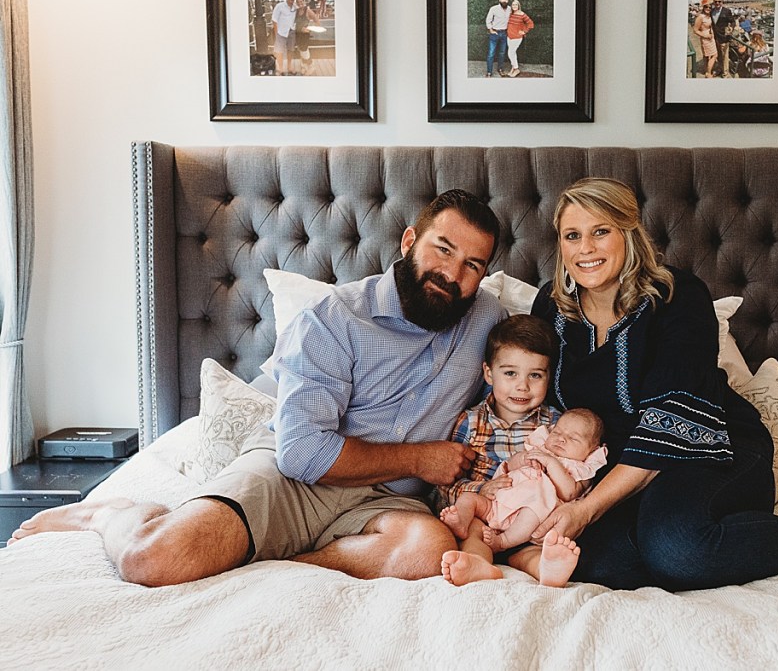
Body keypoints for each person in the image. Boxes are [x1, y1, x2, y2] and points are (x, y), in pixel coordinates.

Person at [8, 190, 507, 587]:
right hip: (292, 481)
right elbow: (303, 453)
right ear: (409, 241)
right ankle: (111, 515)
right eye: (443, 249)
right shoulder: (333, 319)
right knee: (150, 560)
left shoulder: (489, 321)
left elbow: (541, 363)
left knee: (428, 551)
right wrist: (420, 459)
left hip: (389, 503)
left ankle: (274, 566)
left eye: (473, 265)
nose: (452, 273)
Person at [528, 177, 778, 592]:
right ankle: (702, 536)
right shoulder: (550, 307)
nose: (585, 248)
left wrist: (587, 509)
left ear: (628, 233)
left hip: (710, 449)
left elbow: (669, 422)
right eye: (572, 235)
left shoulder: (677, 295)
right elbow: (527, 391)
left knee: (678, 551)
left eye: (601, 231)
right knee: (601, 562)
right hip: (614, 471)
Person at [442, 407, 607, 587]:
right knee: (470, 503)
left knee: (530, 554)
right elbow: (509, 466)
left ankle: (546, 570)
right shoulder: (538, 449)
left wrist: (550, 462)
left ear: (592, 451)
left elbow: (568, 493)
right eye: (557, 432)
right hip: (495, 509)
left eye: (573, 438)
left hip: (531, 529)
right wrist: (522, 459)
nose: (561, 439)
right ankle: (474, 554)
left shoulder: (580, 469)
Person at [293, 0, 322, 76]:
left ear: (304, 2)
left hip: (304, 35)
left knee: (304, 51)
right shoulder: (296, 11)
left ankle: (311, 66)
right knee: (300, 50)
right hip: (297, 33)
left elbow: (317, 20)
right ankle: (304, 66)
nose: (300, 3)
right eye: (298, 2)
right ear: (296, 3)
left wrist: (309, 29)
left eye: (301, 1)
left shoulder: (307, 10)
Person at [505, 0, 534, 78]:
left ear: (518, 6)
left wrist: (524, 31)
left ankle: (516, 69)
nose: (514, 6)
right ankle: (513, 68)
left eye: (516, 5)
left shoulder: (522, 14)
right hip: (509, 36)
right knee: (512, 53)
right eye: (513, 5)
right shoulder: (511, 13)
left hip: (517, 37)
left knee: (510, 53)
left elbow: (530, 23)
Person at [272, 0, 298, 76]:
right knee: (279, 51)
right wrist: (276, 34)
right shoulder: (279, 6)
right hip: (281, 32)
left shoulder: (295, 7)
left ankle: (289, 67)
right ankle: (281, 68)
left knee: (291, 50)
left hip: (291, 31)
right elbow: (274, 20)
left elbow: (303, 11)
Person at [485, 0, 512, 77]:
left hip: (504, 33)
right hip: (495, 33)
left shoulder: (510, 9)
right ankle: (489, 72)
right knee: (491, 53)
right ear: (499, 0)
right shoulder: (494, 9)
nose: (504, 1)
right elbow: (488, 20)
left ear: (508, 1)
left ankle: (500, 69)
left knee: (502, 53)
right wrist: (491, 30)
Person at [710, 0, 734, 77]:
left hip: (724, 37)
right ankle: (720, 69)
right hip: (715, 38)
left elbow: (732, 21)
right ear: (713, 2)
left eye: (719, 1)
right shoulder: (711, 11)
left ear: (722, 2)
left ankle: (725, 73)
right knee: (718, 55)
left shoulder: (727, 11)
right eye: (716, 1)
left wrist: (731, 28)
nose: (717, 3)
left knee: (725, 56)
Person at [693, 0, 717, 78]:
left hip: (711, 38)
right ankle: (708, 73)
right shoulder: (700, 17)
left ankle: (706, 70)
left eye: (710, 7)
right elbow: (695, 30)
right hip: (706, 39)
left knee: (707, 56)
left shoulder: (709, 15)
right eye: (706, 6)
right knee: (714, 55)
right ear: (703, 7)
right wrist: (705, 36)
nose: (708, 8)